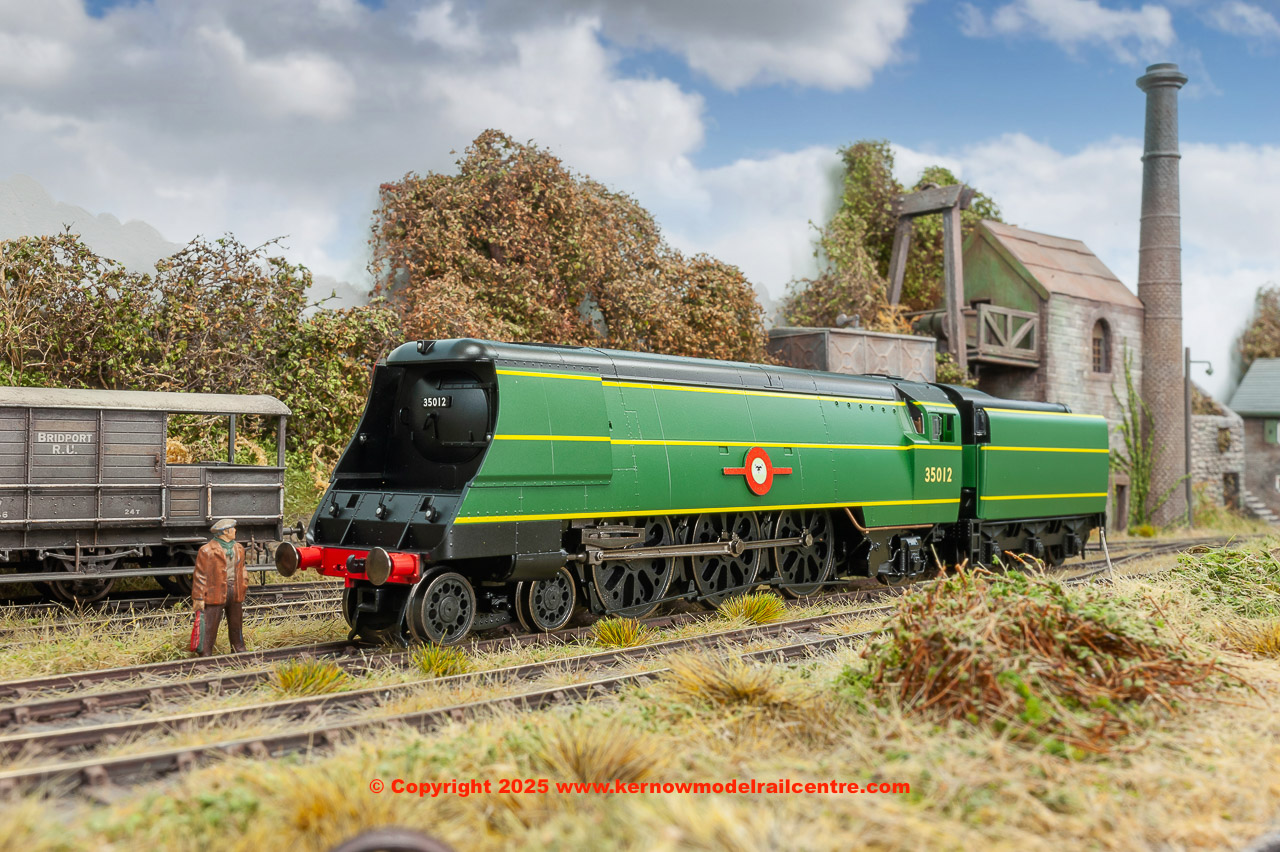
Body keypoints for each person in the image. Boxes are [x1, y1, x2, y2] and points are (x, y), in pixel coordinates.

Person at [192, 518, 248, 656]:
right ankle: (205, 652)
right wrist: (198, 598)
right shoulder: (207, 550)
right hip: (215, 592)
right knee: (210, 624)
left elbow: (242, 568)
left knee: (236, 623)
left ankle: (238, 649)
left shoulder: (239, 548)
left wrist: (244, 583)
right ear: (225, 532)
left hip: (235, 590)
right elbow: (200, 575)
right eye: (232, 529)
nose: (235, 530)